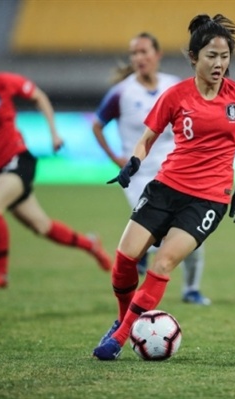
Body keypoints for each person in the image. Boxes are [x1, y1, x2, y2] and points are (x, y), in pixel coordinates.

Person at [92, 14, 235, 361]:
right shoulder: (175, 95)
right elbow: (147, 137)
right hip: (166, 187)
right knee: (124, 262)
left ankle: (119, 338)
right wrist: (134, 163)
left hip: (208, 200)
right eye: (211, 56)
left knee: (163, 263)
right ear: (194, 57)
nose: (219, 64)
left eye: (224, 56)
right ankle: (124, 318)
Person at [0, 40, 112, 289]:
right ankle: (91, 245)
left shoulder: (2, 82)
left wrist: (54, 133)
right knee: (42, 226)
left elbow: (38, 96)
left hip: (17, 159)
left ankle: (0, 273)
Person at [92, 32, 211, 305]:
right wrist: (115, 158)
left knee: (190, 233)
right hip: (139, 175)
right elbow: (97, 125)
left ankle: (191, 289)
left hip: (176, 171)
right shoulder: (121, 92)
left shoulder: (175, 86)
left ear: (157, 55)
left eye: (144, 52)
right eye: (134, 53)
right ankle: (140, 267)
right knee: (163, 233)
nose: (138, 58)